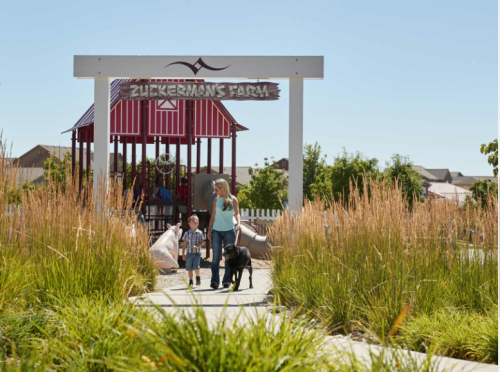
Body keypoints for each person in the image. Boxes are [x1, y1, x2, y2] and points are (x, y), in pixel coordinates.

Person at [207, 178, 242, 289]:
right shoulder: (216, 201)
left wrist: (239, 224)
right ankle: (214, 281)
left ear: (223, 188)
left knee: (228, 257)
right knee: (216, 258)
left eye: (217, 189)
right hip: (216, 231)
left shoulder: (233, 199)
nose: (216, 192)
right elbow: (213, 216)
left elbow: (237, 214)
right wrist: (209, 229)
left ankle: (226, 281)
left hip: (229, 231)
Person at [181, 214, 204, 288]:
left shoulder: (200, 233)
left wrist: (197, 246)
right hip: (189, 254)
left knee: (196, 267)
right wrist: (183, 253)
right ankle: (190, 281)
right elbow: (184, 244)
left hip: (197, 253)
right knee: (189, 268)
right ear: (189, 223)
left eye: (197, 220)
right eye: (193, 220)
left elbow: (202, 242)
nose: (195, 221)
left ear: (198, 223)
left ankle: (198, 277)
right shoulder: (187, 233)